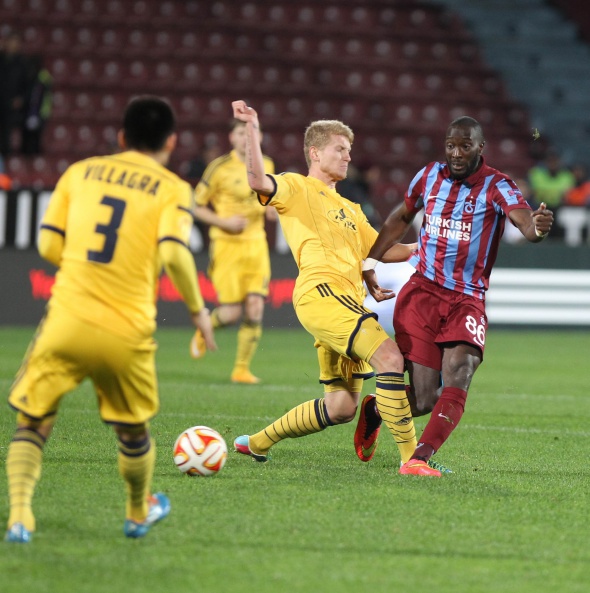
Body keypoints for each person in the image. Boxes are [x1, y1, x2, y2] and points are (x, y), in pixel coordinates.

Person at [4, 96, 216, 543]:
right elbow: (174, 252)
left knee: (34, 422)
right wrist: (199, 313)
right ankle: (137, 512)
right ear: (171, 142)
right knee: (133, 431)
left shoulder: (80, 172)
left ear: (121, 136)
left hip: (67, 320)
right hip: (126, 328)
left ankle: (20, 517)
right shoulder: (173, 188)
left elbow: (47, 246)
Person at [230, 99, 427, 474]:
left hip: (347, 302)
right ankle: (412, 460)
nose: (348, 156)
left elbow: (384, 251)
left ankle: (254, 443)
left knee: (341, 408)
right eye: (340, 149)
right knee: (390, 359)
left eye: (349, 150)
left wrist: (426, 246)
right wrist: (253, 127)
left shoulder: (352, 209)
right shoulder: (296, 186)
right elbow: (257, 181)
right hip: (323, 293)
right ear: (315, 153)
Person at [361, 116, 554, 476]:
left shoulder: (497, 184)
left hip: (466, 299)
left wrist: (538, 229)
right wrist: (370, 260)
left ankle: (418, 459)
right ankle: (375, 409)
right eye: (451, 145)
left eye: (465, 146)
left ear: (480, 147)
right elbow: (400, 218)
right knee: (423, 400)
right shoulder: (428, 176)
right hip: (422, 295)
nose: (456, 153)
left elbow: (525, 223)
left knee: (461, 369)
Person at [190, 118, 275, 384]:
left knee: (255, 306)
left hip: (256, 243)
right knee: (231, 313)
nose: (247, 138)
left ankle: (241, 369)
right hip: (226, 245)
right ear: (232, 137)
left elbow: (269, 200)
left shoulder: (267, 165)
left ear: (259, 137)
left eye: (252, 133)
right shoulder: (219, 168)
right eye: (241, 133)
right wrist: (223, 222)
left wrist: (272, 209)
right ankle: (206, 326)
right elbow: (195, 206)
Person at [0, 31, 29, 156]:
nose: (13, 45)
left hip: (12, 105)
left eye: (16, 42)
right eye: (11, 41)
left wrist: (21, 99)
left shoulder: (23, 63)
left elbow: (28, 85)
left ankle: (6, 157)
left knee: (7, 133)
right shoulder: (1, 59)